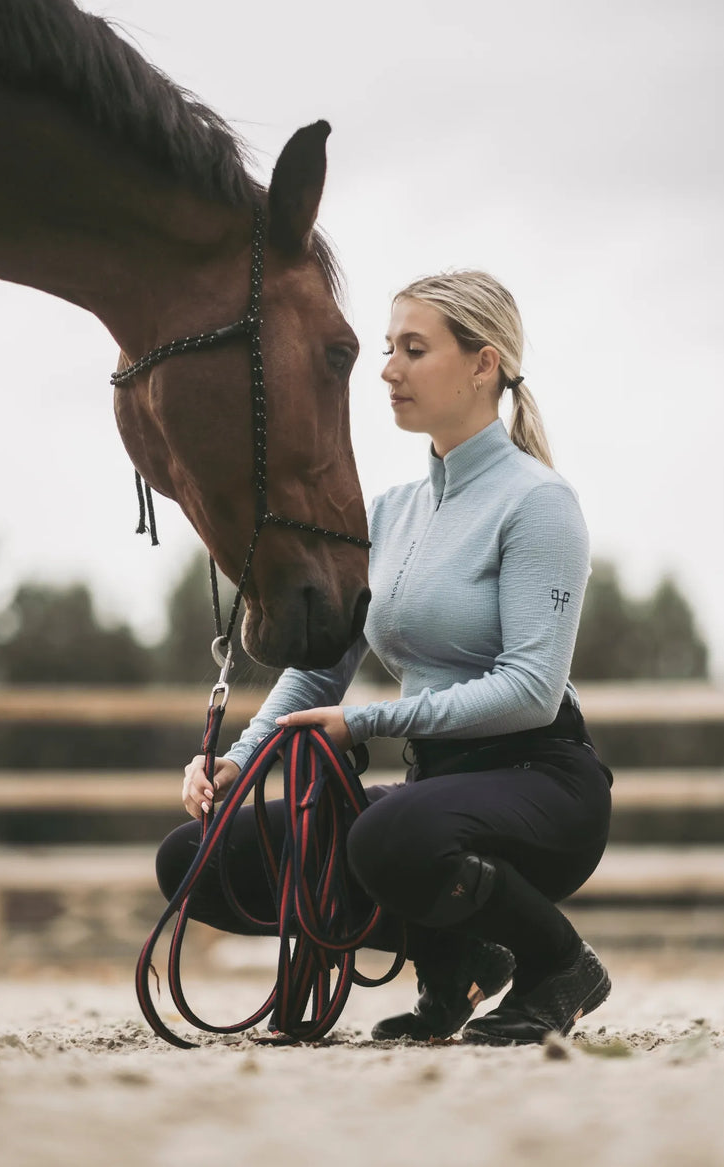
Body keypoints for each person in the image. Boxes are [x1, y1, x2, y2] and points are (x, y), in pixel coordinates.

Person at [157, 271, 613, 1045]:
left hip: (541, 786)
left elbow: (532, 690)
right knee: (196, 857)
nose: (388, 369)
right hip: (431, 796)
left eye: (413, 349)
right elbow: (319, 671)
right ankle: (461, 956)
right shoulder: (386, 513)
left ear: (484, 364)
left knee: (387, 835)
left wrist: (366, 721)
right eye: (388, 348)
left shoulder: (539, 503)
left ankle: (560, 964)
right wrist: (239, 759)